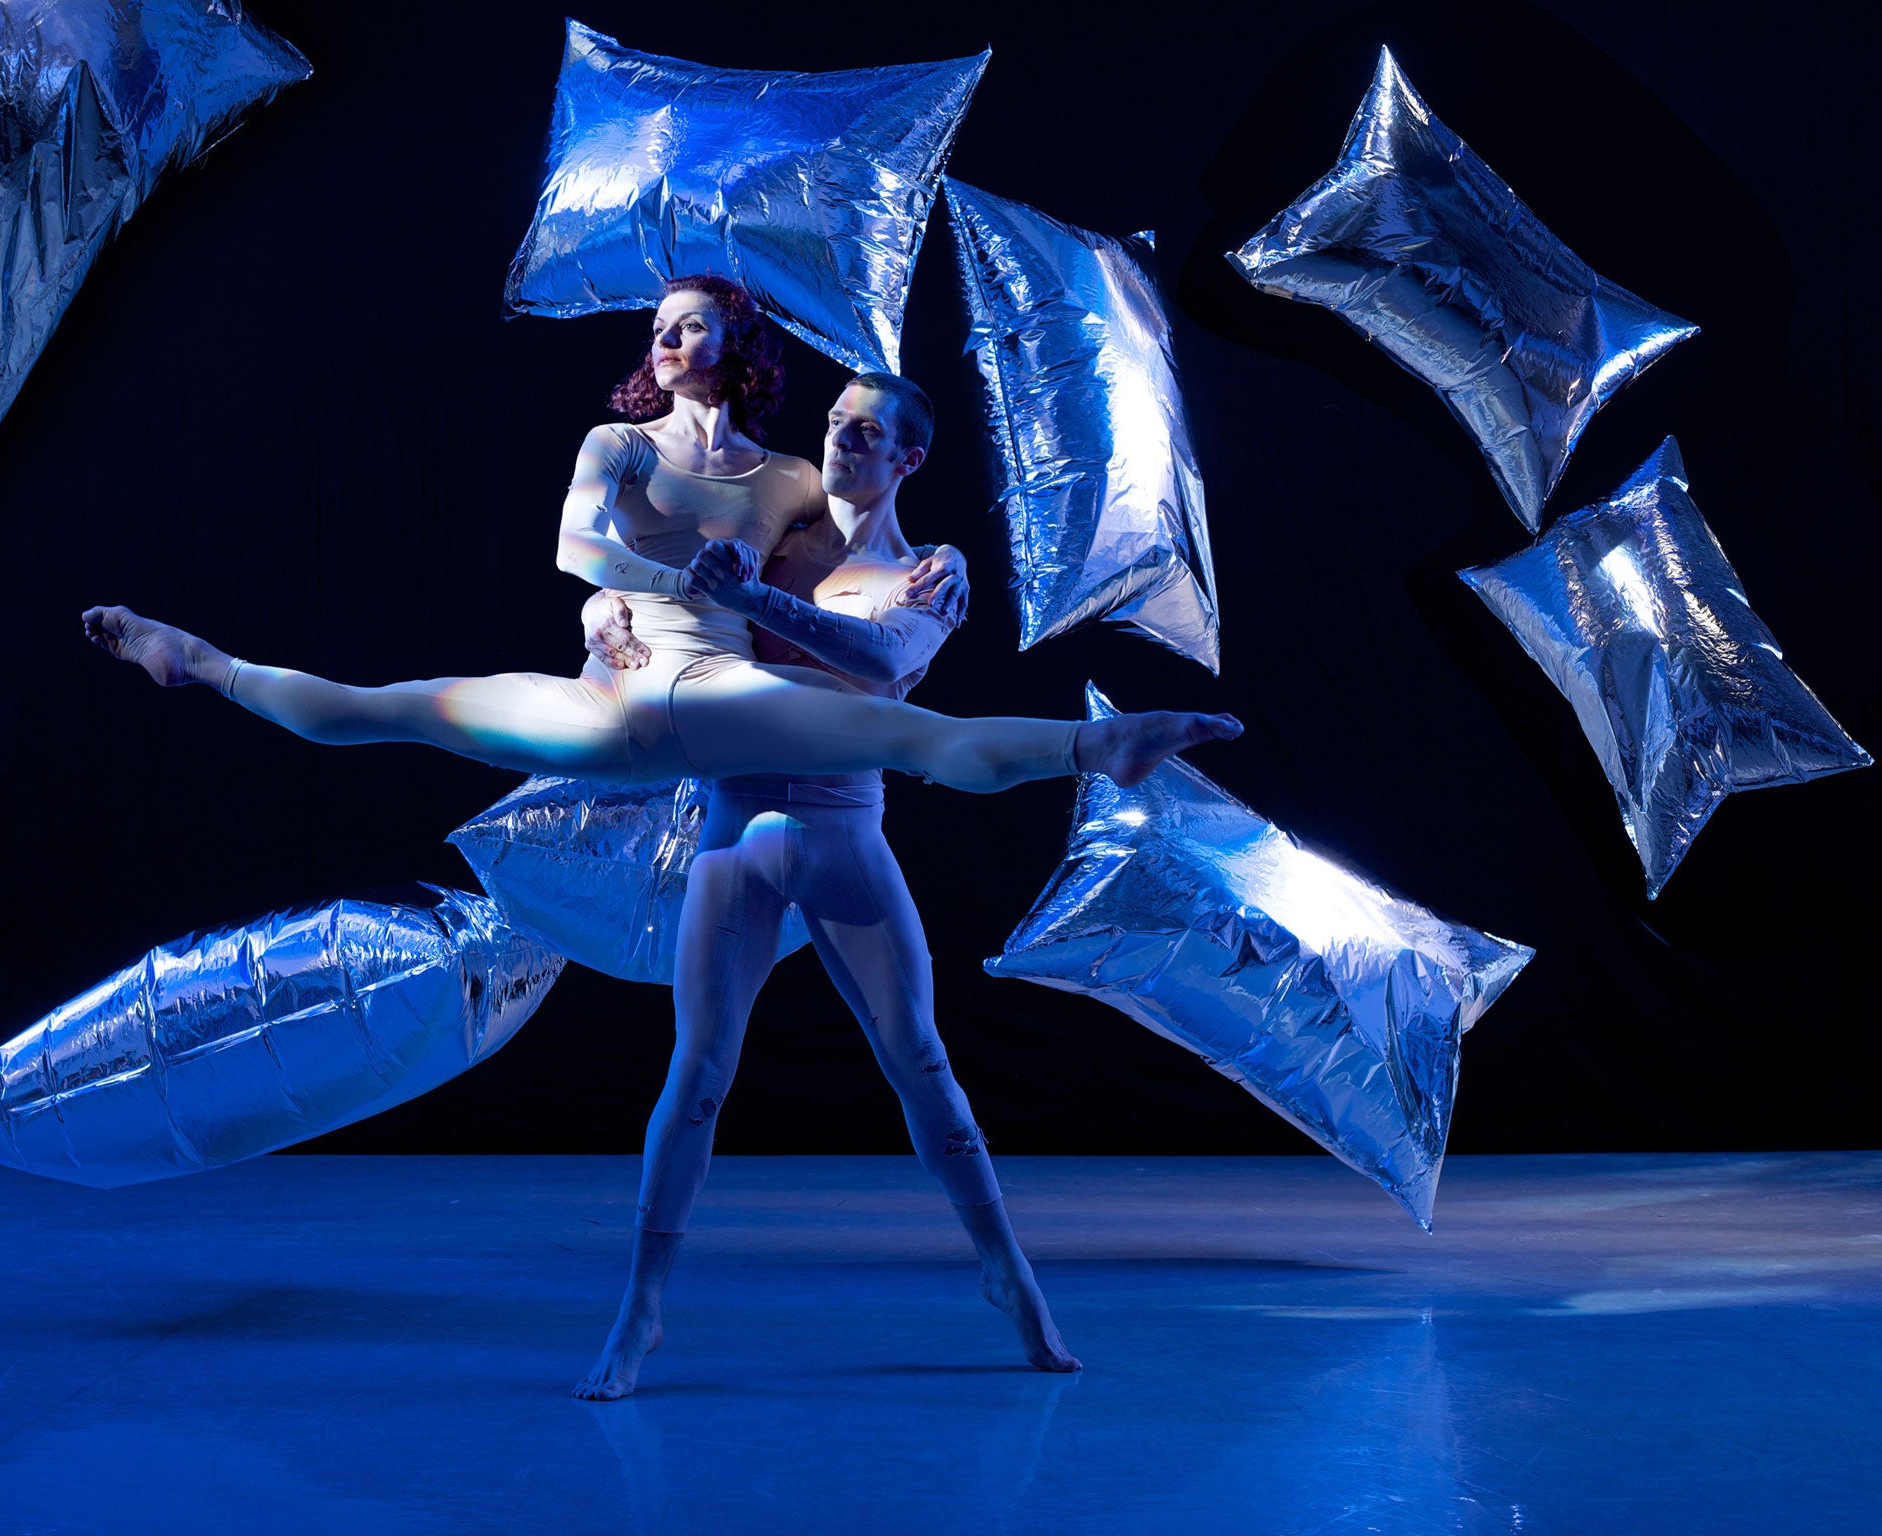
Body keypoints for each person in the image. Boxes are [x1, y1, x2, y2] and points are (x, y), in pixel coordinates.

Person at [83, 275, 1239, 797]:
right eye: (655, 331)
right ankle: (200, 661)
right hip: (608, 700)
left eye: (685, 328)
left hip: (706, 693)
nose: (663, 345)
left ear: (732, 347)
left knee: (911, 740)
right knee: (383, 709)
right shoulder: (618, 443)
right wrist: (616, 593)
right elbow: (578, 553)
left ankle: (1099, 748)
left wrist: (936, 564)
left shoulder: (789, 474)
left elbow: (845, 567)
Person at [572, 373, 1077, 1400]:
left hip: (843, 832)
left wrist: (748, 602)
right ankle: (641, 1310)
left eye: (867, 433)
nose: (841, 441)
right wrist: (607, 616)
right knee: (698, 1072)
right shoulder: (761, 532)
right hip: (733, 823)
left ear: (907, 459)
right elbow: (641, 603)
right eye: (836, 424)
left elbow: (886, 667)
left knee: (920, 1061)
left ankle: (1005, 1270)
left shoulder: (927, 568)